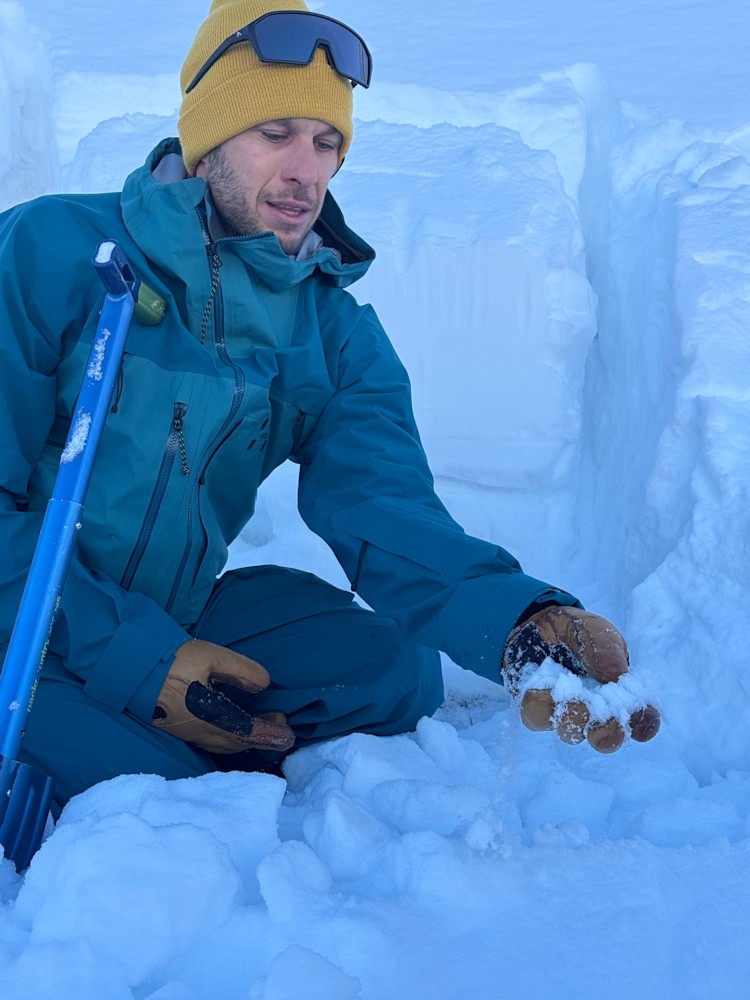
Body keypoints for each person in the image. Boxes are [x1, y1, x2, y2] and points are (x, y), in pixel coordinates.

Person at [0, 0, 658, 811]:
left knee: (391, 667)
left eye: (327, 141)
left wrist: (519, 617)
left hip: (168, 606)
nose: (306, 170)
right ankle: (134, 745)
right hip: (20, 610)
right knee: (161, 795)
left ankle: (143, 724)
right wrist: (135, 658)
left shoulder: (333, 333)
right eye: (275, 134)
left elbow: (384, 509)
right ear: (207, 145)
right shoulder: (53, 251)